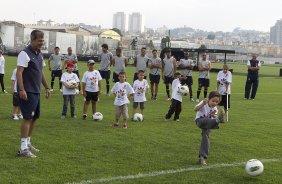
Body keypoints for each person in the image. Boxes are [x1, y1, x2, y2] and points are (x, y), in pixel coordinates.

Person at [16, 30, 51, 158]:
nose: (42, 43)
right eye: (39, 40)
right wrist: (21, 89)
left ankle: (28, 142)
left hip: (36, 91)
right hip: (28, 91)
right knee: (27, 118)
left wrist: (47, 87)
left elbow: (40, 72)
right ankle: (23, 148)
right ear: (32, 40)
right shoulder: (24, 53)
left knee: (34, 118)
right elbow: (19, 72)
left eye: (43, 40)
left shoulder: (40, 55)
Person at [194, 91, 226, 165]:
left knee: (206, 138)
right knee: (207, 119)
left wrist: (214, 117)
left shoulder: (215, 109)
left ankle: (202, 158)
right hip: (200, 121)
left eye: (217, 102)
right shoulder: (204, 102)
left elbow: (211, 119)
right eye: (213, 101)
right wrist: (203, 104)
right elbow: (195, 109)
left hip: (207, 124)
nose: (214, 103)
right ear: (208, 99)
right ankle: (219, 120)